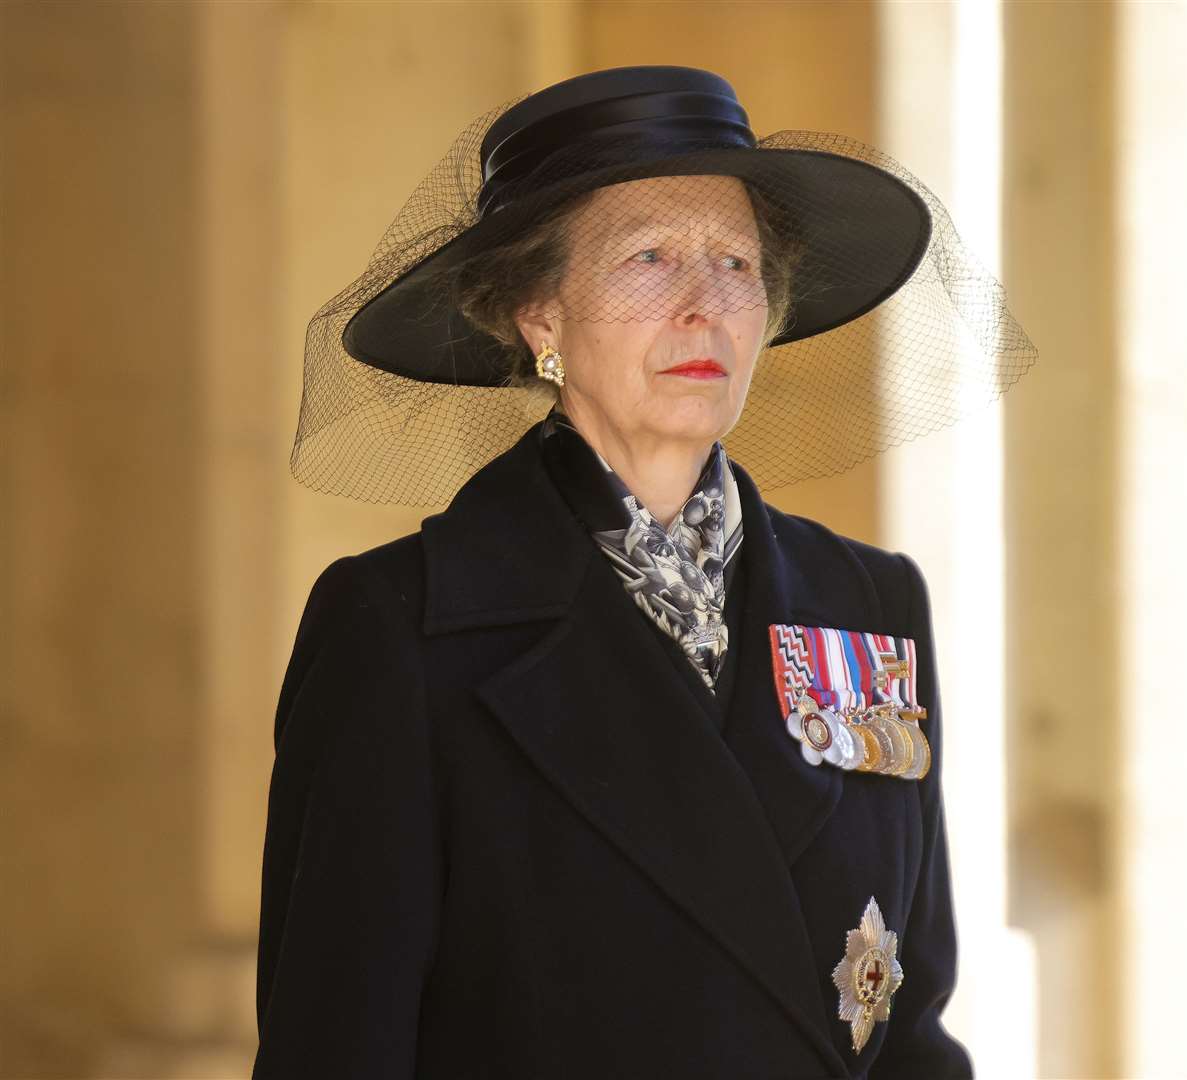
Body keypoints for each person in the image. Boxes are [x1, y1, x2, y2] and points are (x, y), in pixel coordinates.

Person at [254, 65, 1035, 1079]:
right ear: (539, 314)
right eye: (648, 258)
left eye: (736, 265)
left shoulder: (871, 605)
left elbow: (911, 1031)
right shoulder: (400, 628)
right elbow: (336, 1049)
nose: (703, 306)